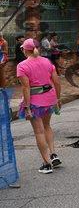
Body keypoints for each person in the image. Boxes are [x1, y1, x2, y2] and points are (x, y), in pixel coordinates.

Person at [17, 38, 62, 173]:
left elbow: (26, 88)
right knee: (47, 126)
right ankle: (53, 154)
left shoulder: (22, 66)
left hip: (35, 102)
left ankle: (47, 164)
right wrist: (58, 98)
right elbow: (57, 81)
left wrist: (27, 107)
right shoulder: (47, 61)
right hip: (50, 98)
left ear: (25, 50)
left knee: (39, 131)